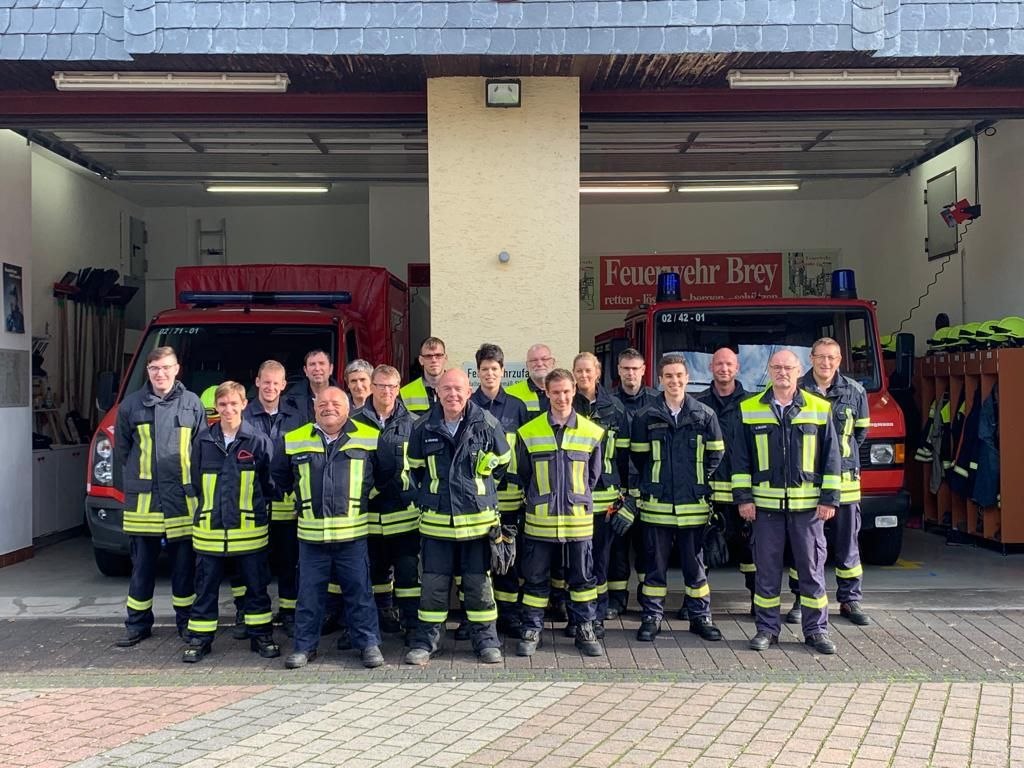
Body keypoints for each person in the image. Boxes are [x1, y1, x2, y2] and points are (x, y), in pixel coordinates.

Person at [732, 349, 842, 655]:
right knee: (766, 573)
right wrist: (743, 498)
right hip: (765, 510)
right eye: (777, 367)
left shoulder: (820, 408)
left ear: (799, 371)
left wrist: (829, 499)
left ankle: (816, 631)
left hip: (808, 509)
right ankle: (767, 630)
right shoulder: (749, 408)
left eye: (788, 368)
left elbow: (832, 458)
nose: (782, 372)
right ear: (769, 370)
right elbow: (740, 460)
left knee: (811, 571)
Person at [405, 369, 511, 665]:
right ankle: (427, 641)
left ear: (468, 391)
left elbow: (503, 463)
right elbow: (414, 468)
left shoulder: (487, 424)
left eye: (458, 389)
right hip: (437, 525)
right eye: (447, 389)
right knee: (433, 589)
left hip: (477, 525)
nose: (452, 394)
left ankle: (486, 640)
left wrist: (478, 494)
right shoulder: (424, 426)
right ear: (437, 392)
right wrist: (430, 498)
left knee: (479, 588)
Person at [281, 386, 386, 669]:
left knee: (360, 592)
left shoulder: (369, 438)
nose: (329, 407)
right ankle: (304, 648)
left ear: (348, 406)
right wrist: (302, 501)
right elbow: (279, 479)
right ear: (314, 407)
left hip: (352, 535)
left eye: (335, 403)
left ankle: (368, 644)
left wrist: (362, 499)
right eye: (323, 403)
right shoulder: (295, 439)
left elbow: (383, 479)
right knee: (309, 595)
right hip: (311, 538)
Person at [629, 355, 725, 642]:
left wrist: (695, 480)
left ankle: (700, 617)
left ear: (687, 377)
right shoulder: (646, 416)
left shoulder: (704, 415)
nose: (674, 381)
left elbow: (716, 454)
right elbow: (638, 457)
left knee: (695, 568)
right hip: (657, 507)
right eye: (668, 376)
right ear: (660, 379)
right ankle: (651, 617)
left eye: (679, 375)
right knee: (654, 568)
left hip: (693, 507)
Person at [115, 346, 206, 647]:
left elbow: (201, 452)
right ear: (148, 372)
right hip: (145, 505)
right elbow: (124, 454)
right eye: (154, 368)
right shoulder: (131, 406)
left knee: (184, 569)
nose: (160, 374)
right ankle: (137, 625)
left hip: (182, 502)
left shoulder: (192, 404)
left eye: (165, 367)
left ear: (177, 369)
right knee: (142, 569)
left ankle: (187, 623)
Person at [183, 381, 279, 662]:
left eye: (233, 404)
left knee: (256, 589)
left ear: (243, 405)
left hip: (249, 532)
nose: (227, 409)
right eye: (222, 404)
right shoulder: (202, 440)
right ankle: (200, 639)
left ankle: (261, 636)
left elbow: (268, 483)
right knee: (205, 590)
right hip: (210, 532)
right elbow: (195, 482)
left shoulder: (258, 440)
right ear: (216, 407)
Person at [516, 368, 606, 657]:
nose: (562, 397)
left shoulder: (592, 432)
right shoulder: (529, 432)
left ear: (574, 392)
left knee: (583, 580)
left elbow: (594, 476)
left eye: (567, 391)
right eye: (556, 392)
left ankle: (585, 628)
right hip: (540, 522)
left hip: (578, 521)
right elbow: (523, 474)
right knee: (535, 579)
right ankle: (532, 629)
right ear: (547, 393)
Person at [792, 337, 872, 626]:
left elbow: (859, 435)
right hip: (807, 481)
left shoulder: (855, 391)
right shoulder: (797, 389)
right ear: (811, 358)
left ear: (839, 361)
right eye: (821, 357)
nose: (826, 363)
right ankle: (802, 599)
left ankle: (850, 600)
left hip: (845, 482)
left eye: (832, 358)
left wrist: (840, 460)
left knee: (846, 543)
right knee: (805, 544)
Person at [353, 364, 421, 642]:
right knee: (376, 571)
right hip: (368, 514)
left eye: (393, 386)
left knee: (407, 574)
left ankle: (412, 623)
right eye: (381, 386)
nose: (387, 392)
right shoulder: (354, 421)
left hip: (404, 513)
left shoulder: (414, 423)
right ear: (372, 387)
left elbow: (420, 469)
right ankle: (383, 615)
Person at [470, 343, 528, 638]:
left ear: (503, 372)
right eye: (484, 369)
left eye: (494, 369)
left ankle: (509, 616)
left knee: (508, 559)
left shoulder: (518, 406)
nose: (489, 374)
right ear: (477, 372)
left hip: (510, 498)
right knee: (479, 561)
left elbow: (527, 452)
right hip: (478, 499)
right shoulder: (469, 405)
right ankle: (476, 620)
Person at [244, 360, 305, 637]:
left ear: (283, 385)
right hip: (252, 501)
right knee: (252, 562)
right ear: (257, 381)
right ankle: (249, 612)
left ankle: (289, 612)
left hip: (285, 503)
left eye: (275, 383)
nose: (270, 387)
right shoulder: (243, 416)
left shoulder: (296, 418)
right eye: (265, 382)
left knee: (288, 561)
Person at [571, 352, 630, 638]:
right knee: (577, 560)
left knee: (600, 560)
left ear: (598, 372)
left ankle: (598, 616)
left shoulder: (615, 408)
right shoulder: (565, 404)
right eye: (578, 371)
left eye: (588, 371)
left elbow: (626, 456)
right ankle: (578, 614)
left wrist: (627, 495)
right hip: (574, 495)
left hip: (605, 496)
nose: (584, 376)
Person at [694, 347, 753, 614]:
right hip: (709, 494)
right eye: (719, 364)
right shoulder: (698, 404)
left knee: (751, 554)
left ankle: (758, 603)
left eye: (729, 364)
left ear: (737, 368)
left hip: (743, 496)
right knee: (702, 552)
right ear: (711, 367)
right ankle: (697, 605)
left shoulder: (752, 404)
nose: (724, 369)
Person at [609, 347, 659, 617]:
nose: (630, 373)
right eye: (625, 368)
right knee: (617, 546)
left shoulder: (656, 401)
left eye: (635, 368)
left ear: (643, 370)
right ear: (618, 370)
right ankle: (616, 600)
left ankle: (646, 598)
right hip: (617, 486)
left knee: (647, 546)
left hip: (648, 486)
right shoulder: (608, 402)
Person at [288, 349, 338, 423]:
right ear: (305, 370)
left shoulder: (345, 399)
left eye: (321, 363)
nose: (317, 368)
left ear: (331, 369)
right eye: (312, 364)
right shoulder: (290, 401)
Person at [400, 337, 447, 413]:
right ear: (421, 360)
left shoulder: (457, 388)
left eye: (438, 355)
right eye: (428, 356)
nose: (434, 360)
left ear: (445, 358)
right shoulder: (405, 392)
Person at [505, 343, 556, 414]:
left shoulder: (564, 390)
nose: (539, 364)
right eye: (534, 360)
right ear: (527, 365)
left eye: (544, 359)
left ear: (553, 362)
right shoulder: (509, 394)